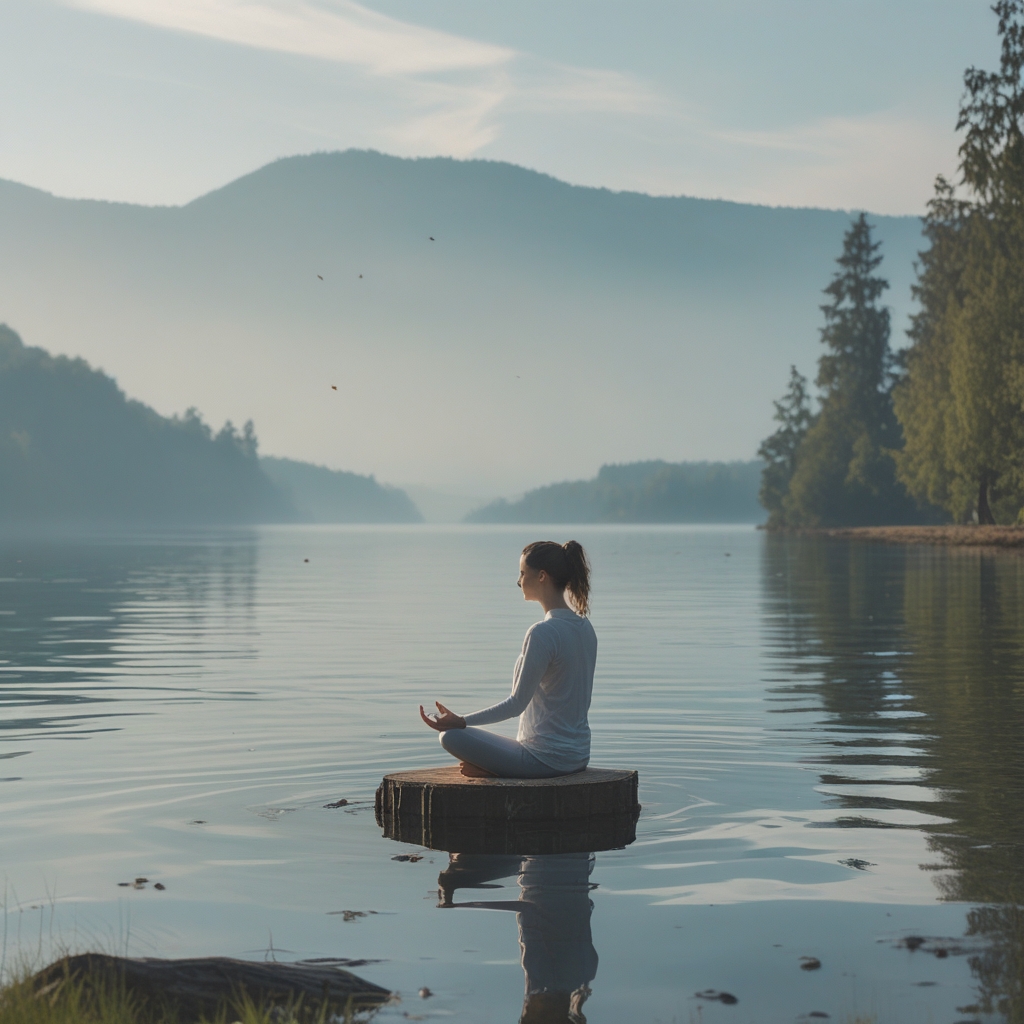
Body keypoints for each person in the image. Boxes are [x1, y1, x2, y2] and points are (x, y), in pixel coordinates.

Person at [419, 540, 597, 779]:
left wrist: (461, 721)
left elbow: (516, 704)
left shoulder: (543, 633)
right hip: (578, 756)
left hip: (544, 760)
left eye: (523, 573)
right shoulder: (586, 628)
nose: (518, 580)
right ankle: (492, 768)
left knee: (450, 736)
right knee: (460, 735)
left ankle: (493, 771)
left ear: (542, 576)